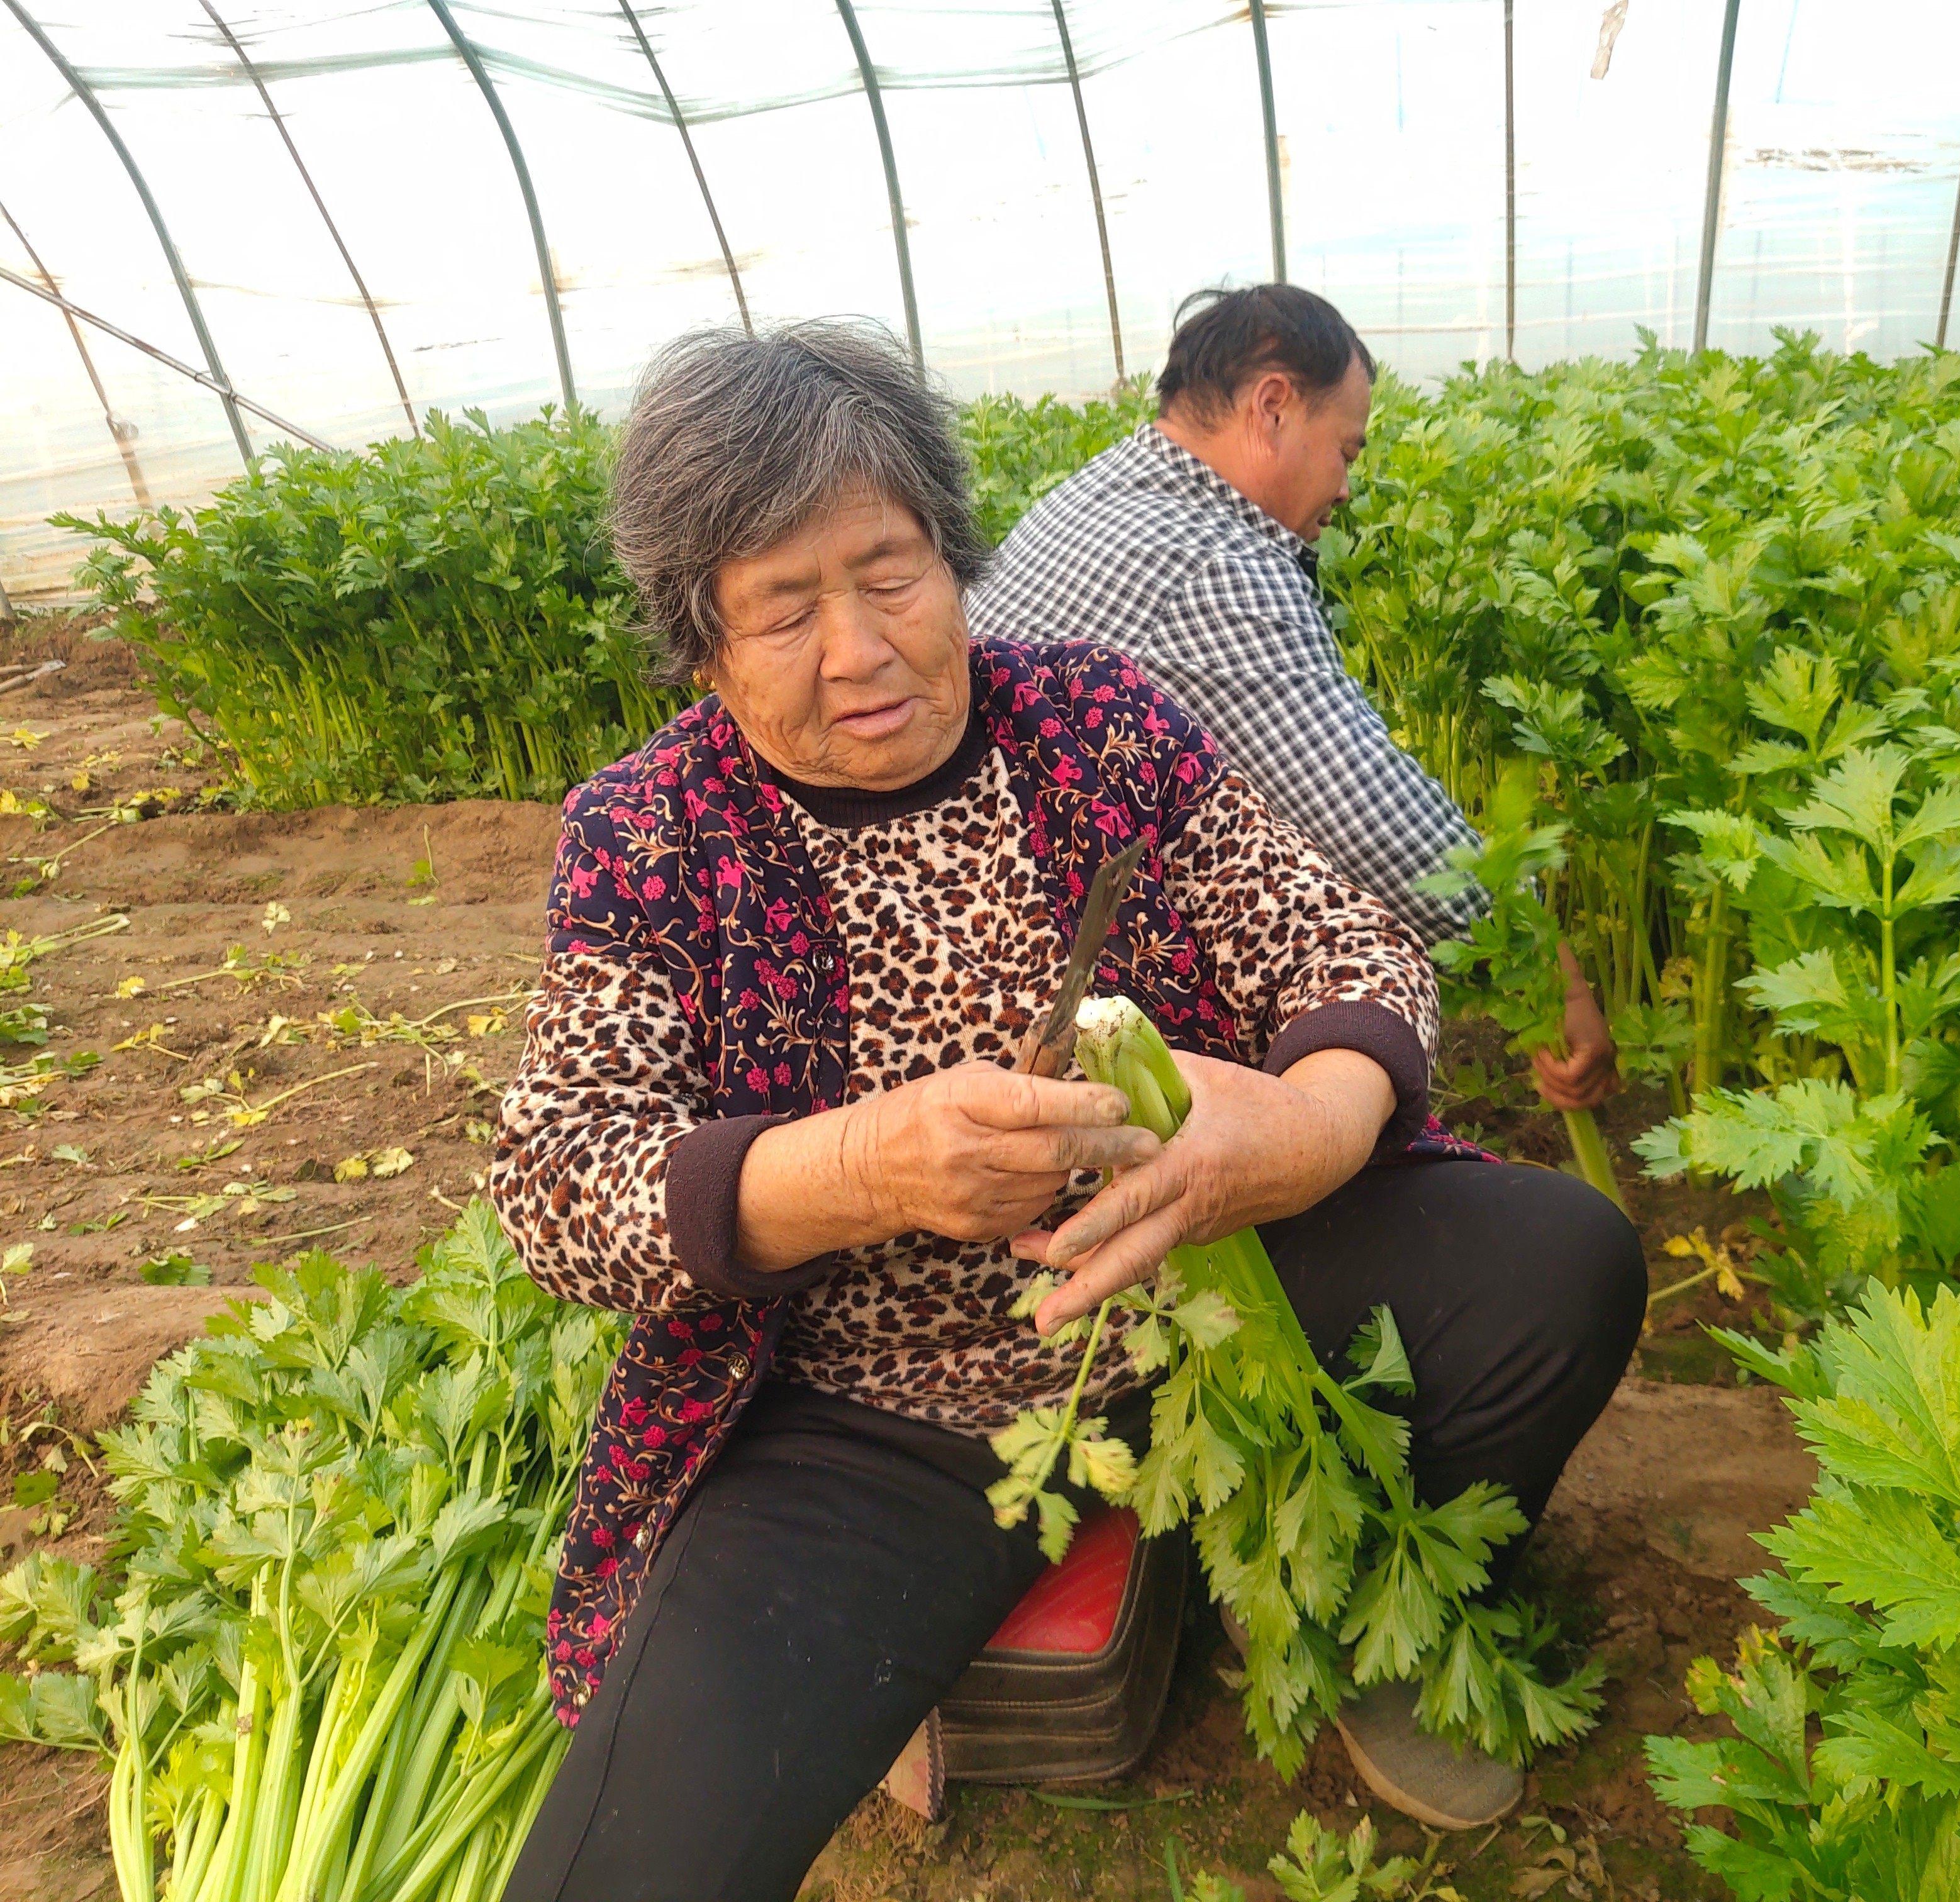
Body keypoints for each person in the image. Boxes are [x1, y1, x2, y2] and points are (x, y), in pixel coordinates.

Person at [489, 321, 1644, 1900]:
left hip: (1206, 1295)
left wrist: (1300, 1129)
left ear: (953, 557)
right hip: (878, 1406)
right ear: (703, 642)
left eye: (890, 571)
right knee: (632, 1864)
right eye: (784, 605)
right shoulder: (650, 831)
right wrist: (869, 1164)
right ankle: (928, 1638)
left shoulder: (1089, 721)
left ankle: (1357, 1605)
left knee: (1558, 1263)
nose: (861, 646)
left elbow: (1339, 929)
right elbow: (561, 1179)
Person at [968, 282, 1620, 1114]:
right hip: (1078, 1016)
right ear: (1273, 407)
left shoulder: (1096, 493)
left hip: (993, 957)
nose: (1347, 486)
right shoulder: (1212, 564)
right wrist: (1549, 975)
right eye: (1346, 450)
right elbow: (1371, 820)